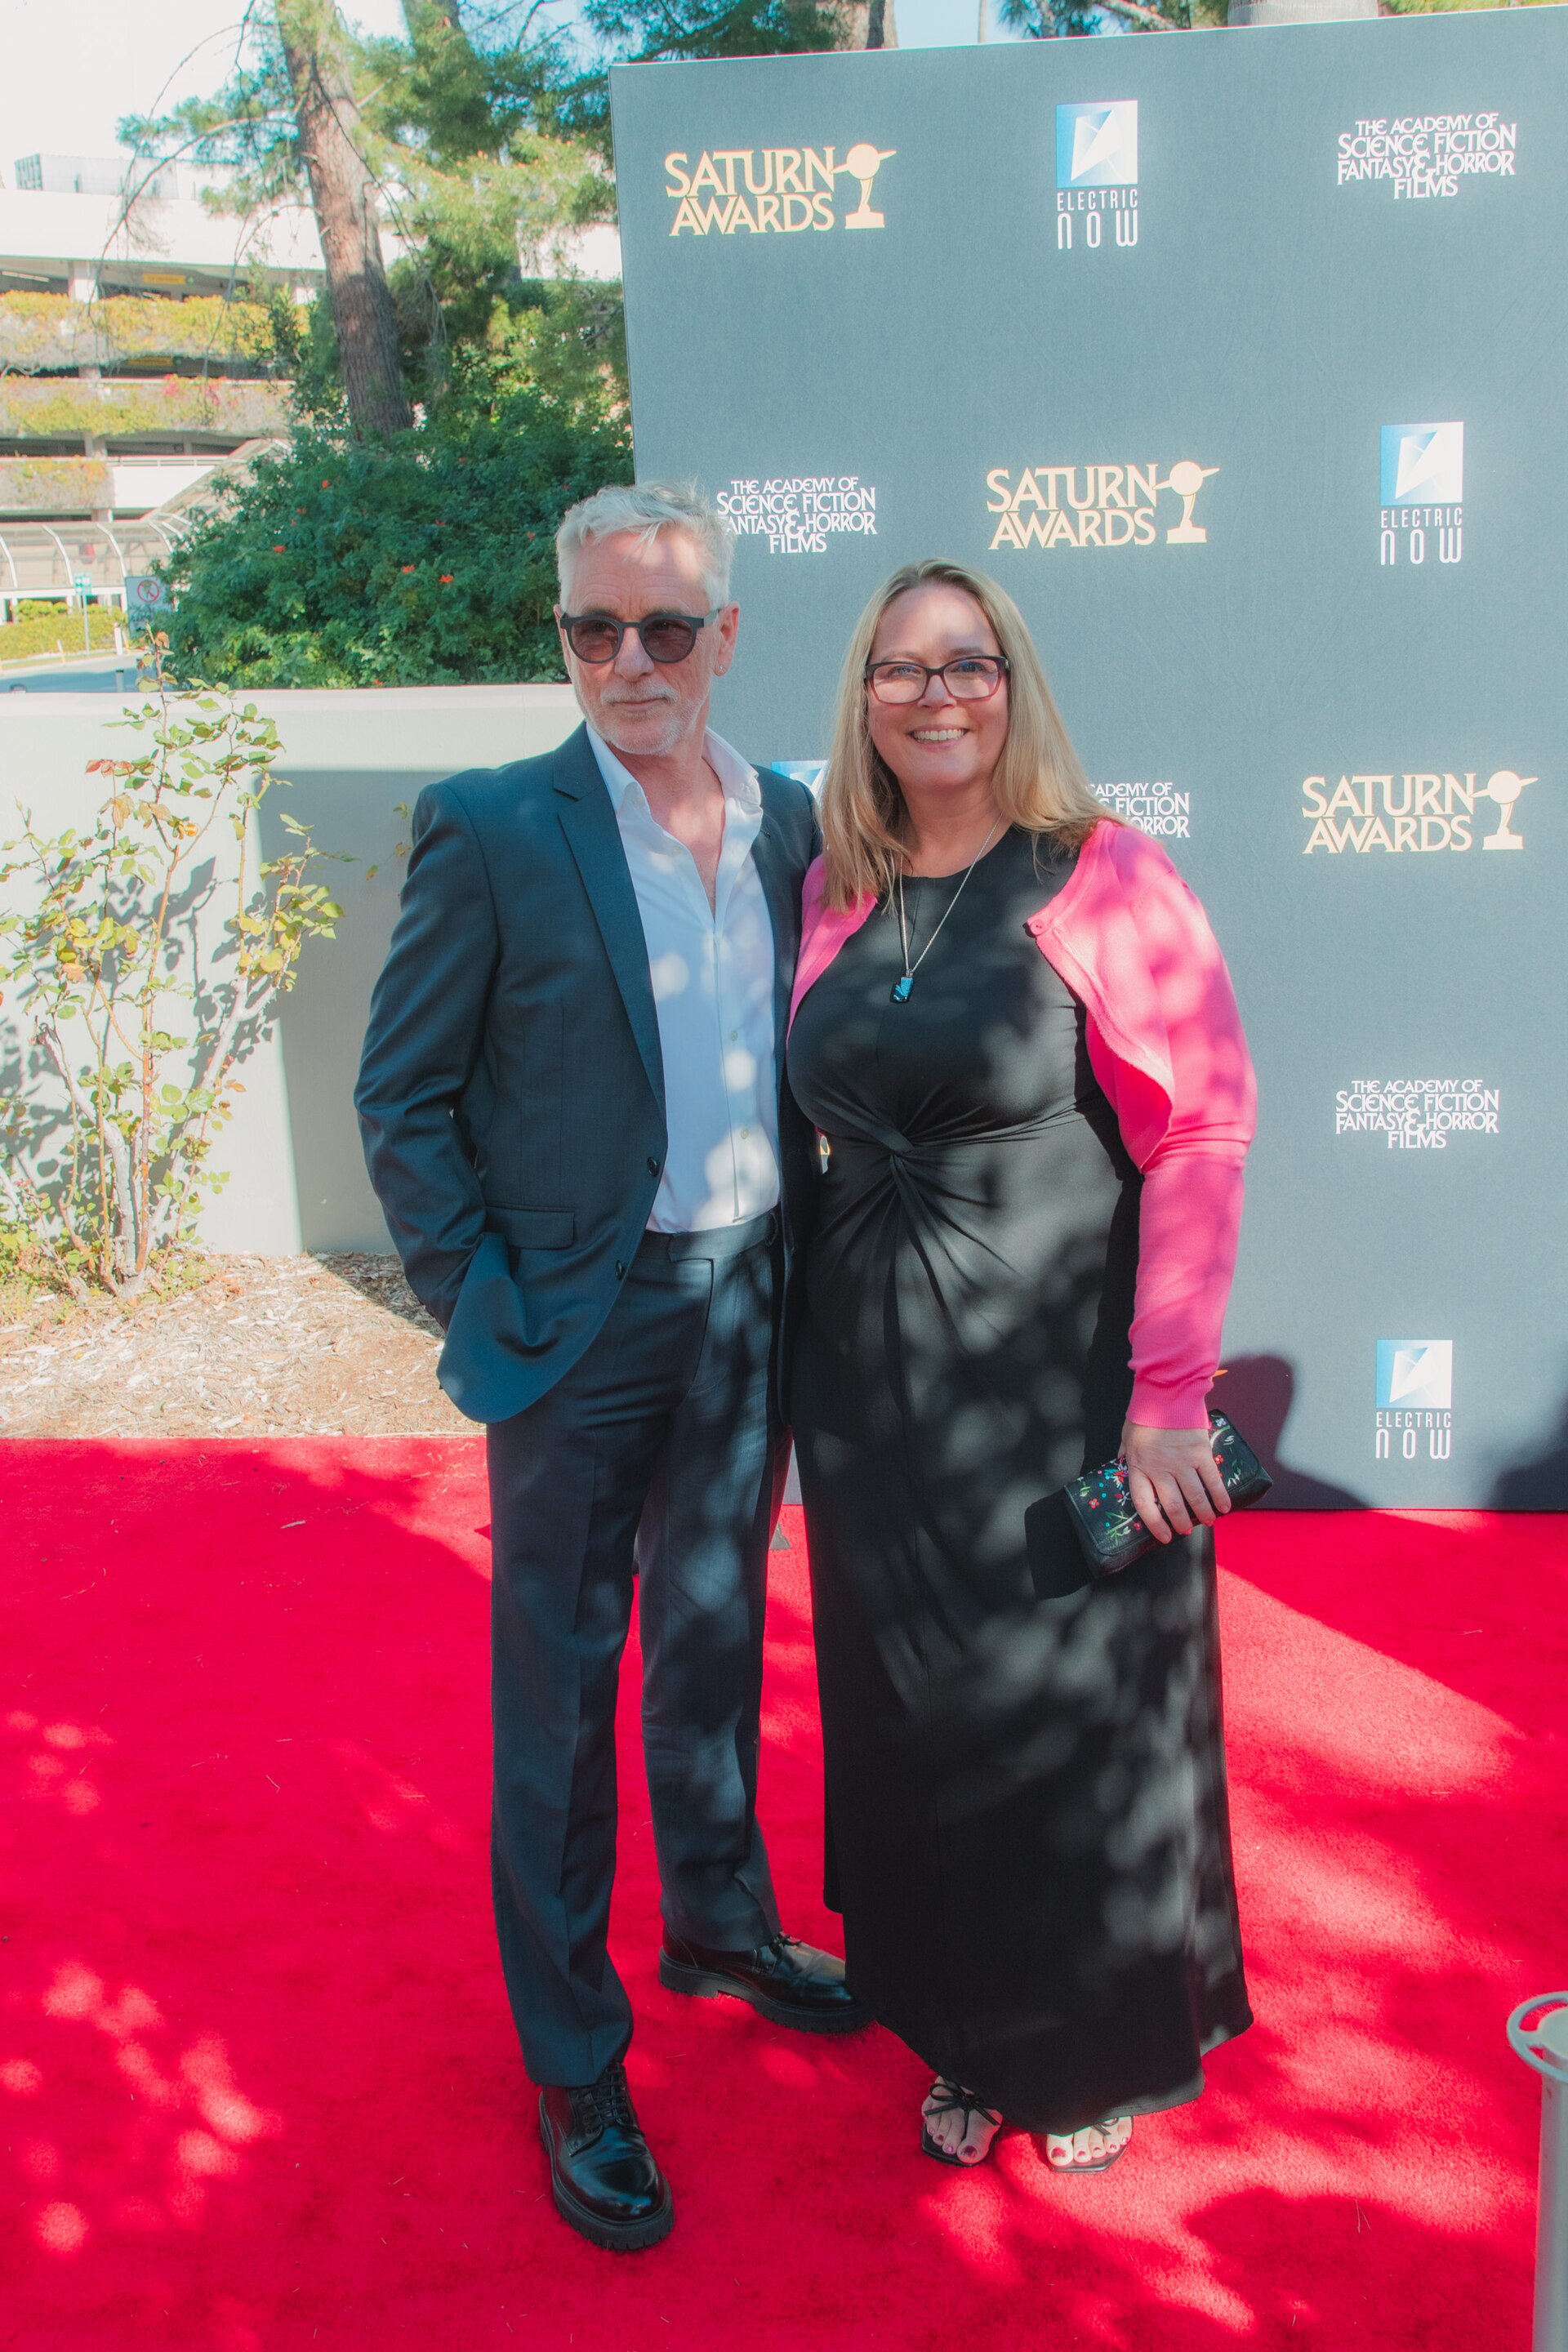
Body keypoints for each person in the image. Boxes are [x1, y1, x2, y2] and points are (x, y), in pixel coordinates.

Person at [355, 482, 861, 2256]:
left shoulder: (797, 821)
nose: (628, 661)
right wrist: (482, 1302)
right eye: (594, 629)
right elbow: (401, 1098)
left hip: (749, 1304)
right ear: (561, 634)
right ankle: (575, 2057)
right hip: (578, 1328)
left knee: (713, 1642)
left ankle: (718, 1914)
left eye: (664, 627)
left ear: (725, 636)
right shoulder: (493, 826)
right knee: (563, 1706)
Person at [784, 559, 1256, 2176]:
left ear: (1012, 682)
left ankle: (1088, 2043)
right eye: (901, 669)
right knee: (916, 1712)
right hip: (868, 1392)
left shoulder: (1104, 871)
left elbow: (1197, 1128)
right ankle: (957, 2022)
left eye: (966, 663)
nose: (936, 694)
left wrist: (1169, 1396)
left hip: (1056, 1373)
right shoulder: (837, 879)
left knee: (1065, 1705)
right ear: (863, 699)